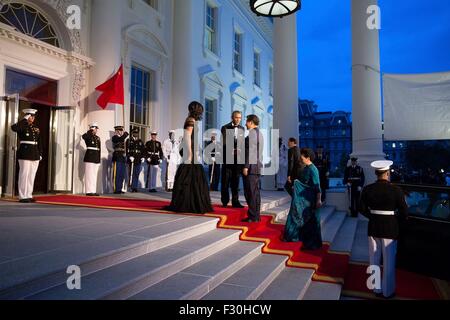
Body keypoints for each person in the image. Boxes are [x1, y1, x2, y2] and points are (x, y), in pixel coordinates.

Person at [359, 160, 409, 299]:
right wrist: (395, 218)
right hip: (390, 228)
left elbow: (361, 208)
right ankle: (388, 291)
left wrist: (373, 216)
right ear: (387, 173)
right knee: (389, 261)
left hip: (373, 227)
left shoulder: (367, 189)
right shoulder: (396, 190)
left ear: (376, 173)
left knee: (373, 258)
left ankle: (376, 289)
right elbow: (405, 212)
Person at [166, 101, 213, 214]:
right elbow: (187, 136)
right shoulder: (191, 120)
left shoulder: (193, 120)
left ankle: (193, 202)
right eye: (200, 110)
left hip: (192, 148)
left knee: (194, 176)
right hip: (188, 150)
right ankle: (188, 203)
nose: (202, 112)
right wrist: (190, 152)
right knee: (188, 175)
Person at [283, 148, 323, 251]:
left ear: (308, 157)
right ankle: (300, 238)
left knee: (312, 222)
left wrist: (319, 200)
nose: (300, 157)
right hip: (305, 199)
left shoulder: (313, 169)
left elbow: (317, 186)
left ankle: (312, 245)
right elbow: (303, 182)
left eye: (302, 156)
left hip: (311, 200)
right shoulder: (305, 168)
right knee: (305, 220)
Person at [11, 109, 42, 203]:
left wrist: (40, 153)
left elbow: (39, 142)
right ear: (27, 116)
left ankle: (28, 194)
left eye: (33, 116)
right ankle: (22, 196)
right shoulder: (22, 126)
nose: (32, 118)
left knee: (31, 175)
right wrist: (24, 120)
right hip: (25, 153)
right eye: (30, 116)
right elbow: (14, 128)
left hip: (35, 154)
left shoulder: (35, 128)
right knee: (24, 174)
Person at [221, 111, 245, 208]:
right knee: (225, 182)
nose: (238, 119)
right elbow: (224, 142)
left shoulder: (242, 129)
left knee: (236, 182)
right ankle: (225, 201)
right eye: (236, 117)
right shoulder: (225, 127)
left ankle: (235, 201)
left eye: (239, 118)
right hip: (227, 158)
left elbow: (242, 143)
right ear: (232, 117)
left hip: (238, 160)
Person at [242, 115, 264, 223]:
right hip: (256, 167)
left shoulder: (252, 133)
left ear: (251, 122)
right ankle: (256, 216)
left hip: (251, 167)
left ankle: (252, 216)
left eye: (246, 121)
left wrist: (246, 166)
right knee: (255, 193)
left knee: (250, 193)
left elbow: (251, 151)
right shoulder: (259, 133)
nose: (245, 123)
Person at [82, 122, 101, 196]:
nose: (96, 130)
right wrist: (90, 131)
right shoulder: (87, 135)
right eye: (95, 128)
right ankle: (89, 191)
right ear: (92, 128)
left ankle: (93, 190)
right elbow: (84, 137)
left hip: (96, 158)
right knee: (89, 175)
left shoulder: (97, 138)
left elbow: (99, 149)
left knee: (94, 175)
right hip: (89, 157)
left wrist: (99, 160)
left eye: (96, 128)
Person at [126, 128, 145, 193]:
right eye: (134, 133)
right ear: (132, 133)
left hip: (138, 159)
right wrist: (129, 156)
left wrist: (143, 157)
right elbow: (126, 150)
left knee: (136, 173)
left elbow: (143, 150)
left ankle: (135, 187)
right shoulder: (129, 140)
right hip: (131, 159)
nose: (136, 134)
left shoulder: (140, 141)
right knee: (131, 173)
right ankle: (131, 186)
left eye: (137, 133)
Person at [112, 126, 129, 194]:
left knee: (122, 174)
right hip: (117, 156)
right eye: (119, 130)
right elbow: (120, 139)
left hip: (122, 157)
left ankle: (120, 188)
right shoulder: (115, 137)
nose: (121, 131)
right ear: (116, 131)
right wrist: (125, 135)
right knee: (117, 173)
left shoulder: (122, 138)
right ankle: (116, 188)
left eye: (121, 130)